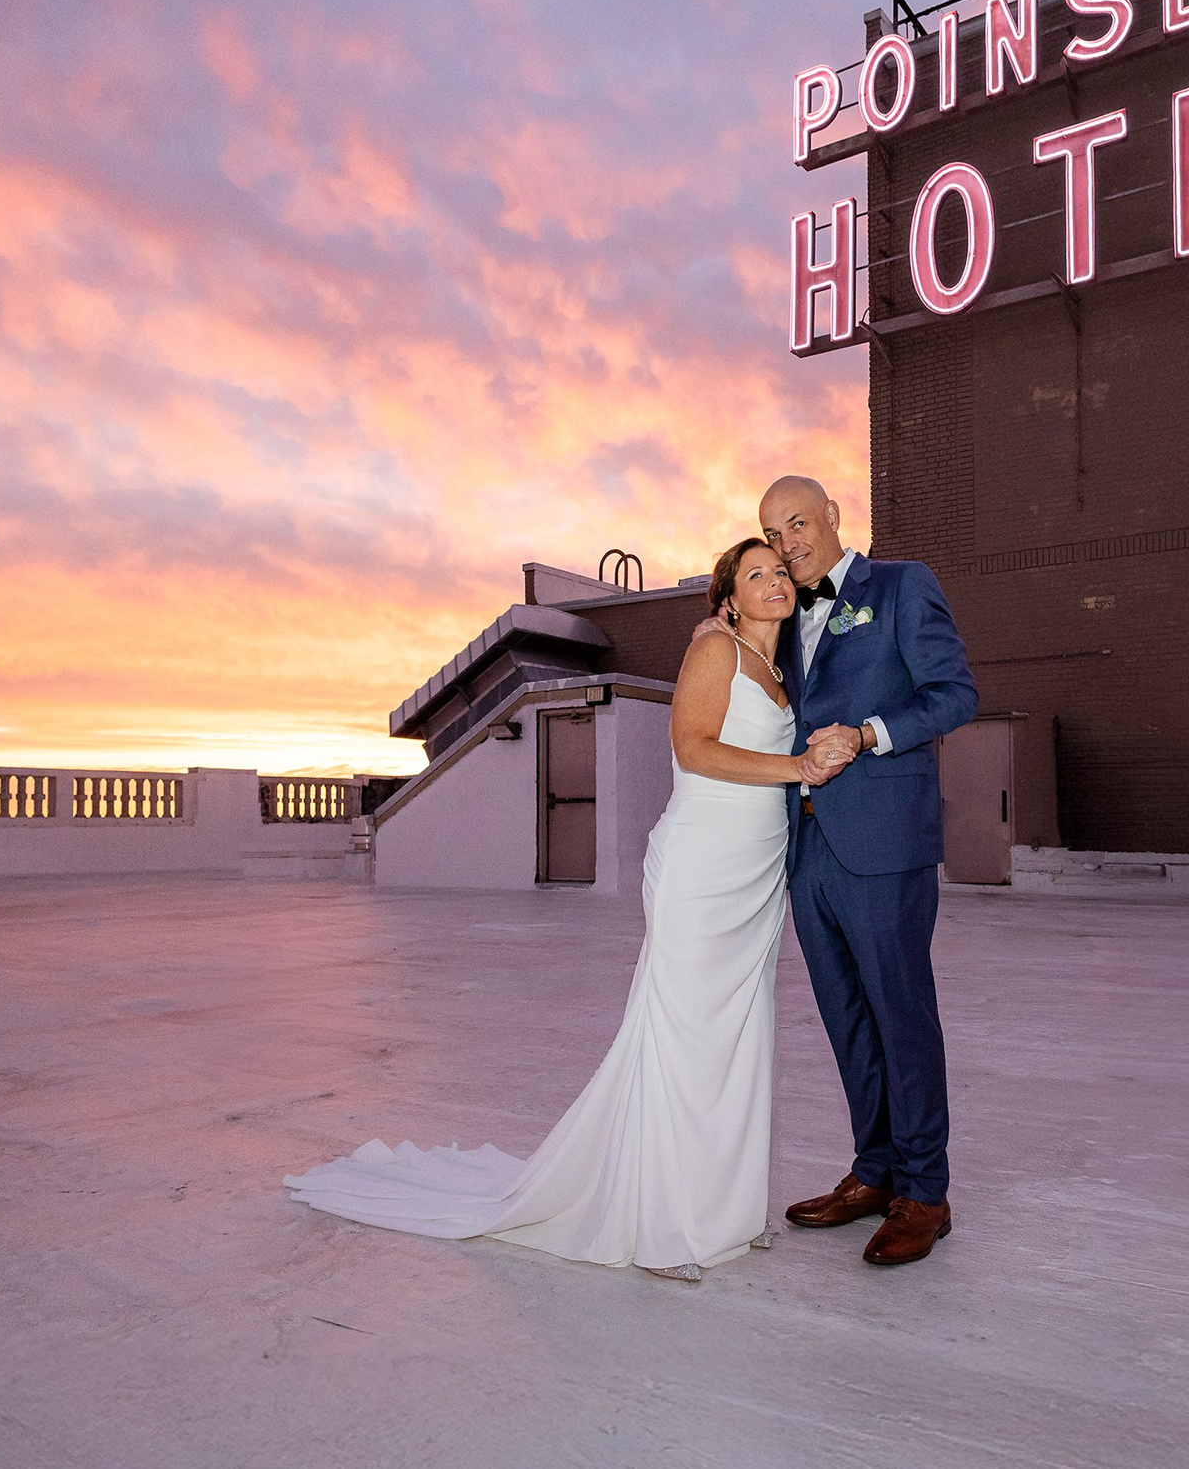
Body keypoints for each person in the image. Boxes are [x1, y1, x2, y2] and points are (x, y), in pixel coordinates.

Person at [283, 538, 852, 1280]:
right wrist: (798, 767)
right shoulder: (716, 653)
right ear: (727, 599)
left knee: (739, 1037)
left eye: (779, 572)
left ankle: (723, 1213)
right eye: (756, 576)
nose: (775, 582)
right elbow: (694, 749)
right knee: (682, 1036)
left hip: (755, 871)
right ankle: (658, 1222)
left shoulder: (781, 666)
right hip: (703, 867)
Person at [752, 475, 978, 1268]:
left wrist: (871, 732)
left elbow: (956, 694)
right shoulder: (785, 618)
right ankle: (876, 1172)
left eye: (799, 522)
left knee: (900, 1014)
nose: (789, 543)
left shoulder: (902, 585)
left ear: (834, 517)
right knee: (847, 1018)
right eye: (775, 533)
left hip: (884, 844)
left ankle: (926, 1191)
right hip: (808, 848)